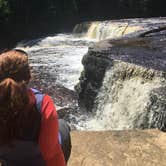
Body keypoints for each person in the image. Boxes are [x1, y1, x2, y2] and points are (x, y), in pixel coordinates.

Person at [0, 49, 71, 166]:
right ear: (29, 77)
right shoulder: (43, 104)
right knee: (63, 126)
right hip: (38, 161)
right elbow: (52, 155)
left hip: (9, 159)